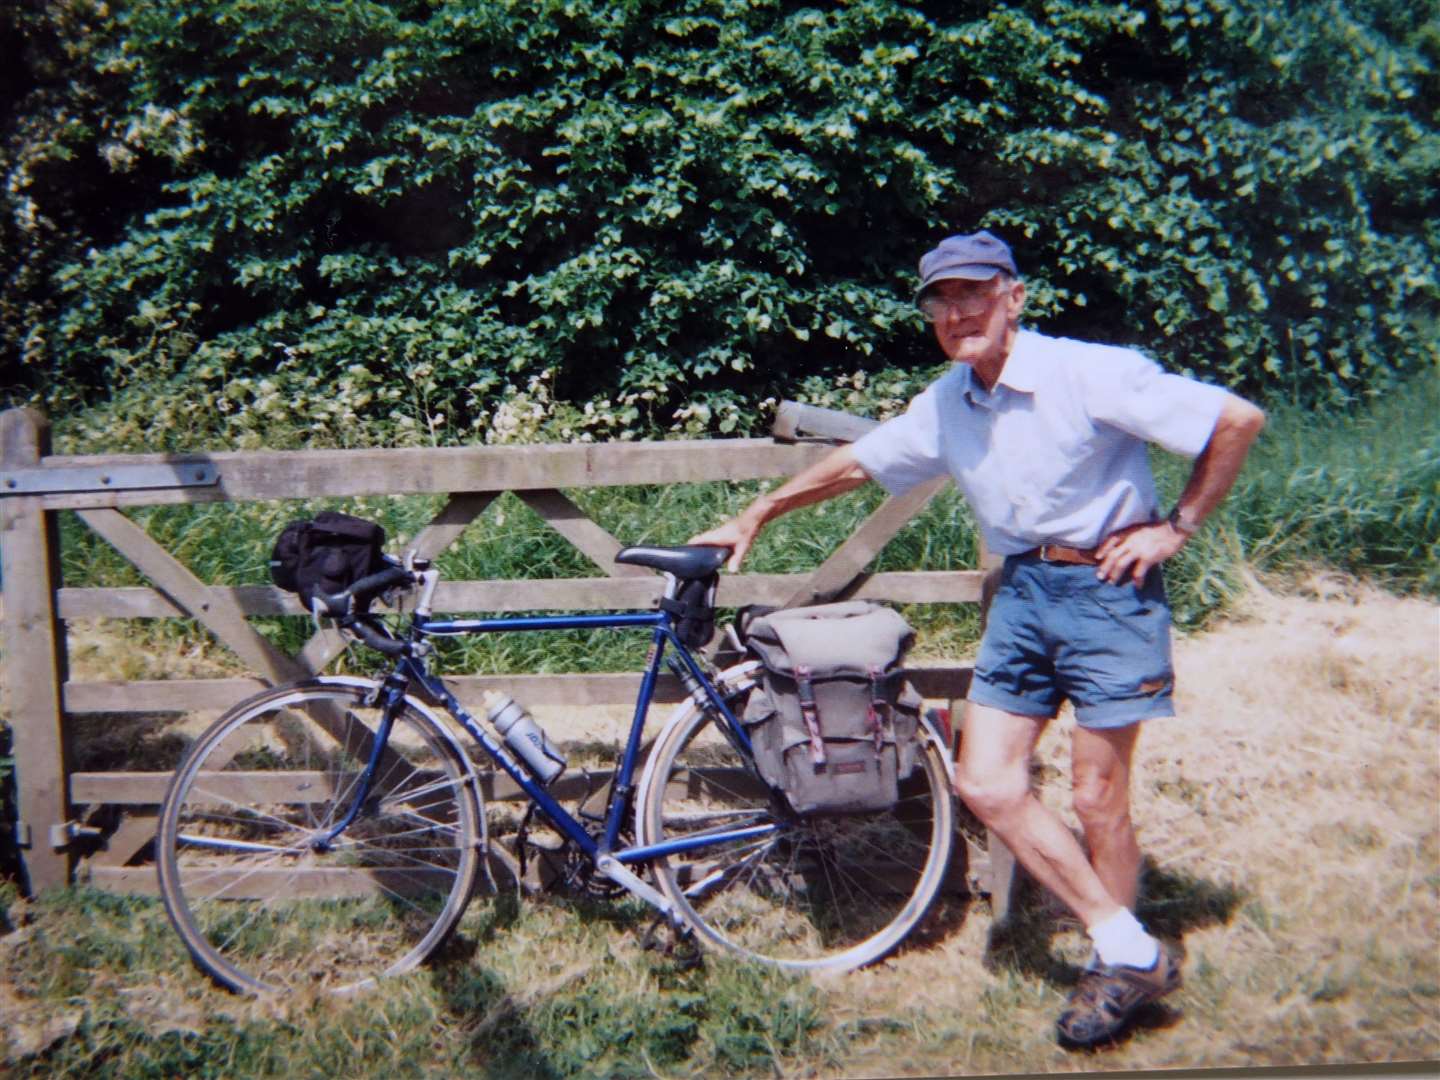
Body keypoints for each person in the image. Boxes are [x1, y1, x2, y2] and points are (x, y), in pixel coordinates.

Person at [689, 229, 1265, 1047]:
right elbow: (859, 464)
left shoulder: (1086, 370)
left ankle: (1112, 967)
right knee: (988, 784)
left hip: (1108, 592)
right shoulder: (950, 401)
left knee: (1098, 797)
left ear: (1014, 297)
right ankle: (1129, 944)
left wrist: (1176, 528)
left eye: (974, 294)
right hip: (1023, 597)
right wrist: (756, 513)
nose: (958, 313)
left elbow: (1237, 419)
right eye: (941, 301)